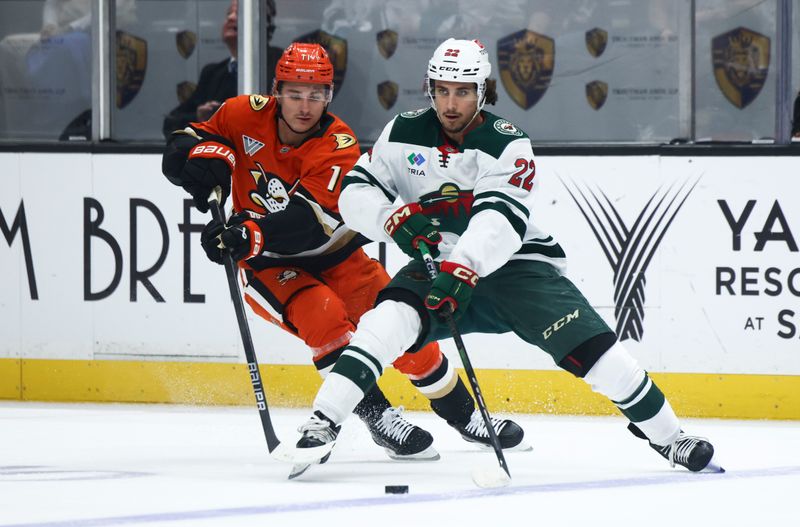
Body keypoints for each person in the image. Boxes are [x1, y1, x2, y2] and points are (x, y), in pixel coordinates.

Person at [293, 38, 720, 474]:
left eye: (462, 91)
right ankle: (323, 421)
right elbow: (354, 193)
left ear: (482, 91)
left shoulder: (507, 143)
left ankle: (670, 437)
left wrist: (462, 268)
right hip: (435, 266)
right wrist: (393, 220)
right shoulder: (401, 131)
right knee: (382, 325)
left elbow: (498, 221)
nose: (451, 102)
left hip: (517, 269)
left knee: (599, 354)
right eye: (441, 90)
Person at [161, 42, 527, 465]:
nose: (304, 106)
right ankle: (380, 417)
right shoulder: (241, 113)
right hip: (268, 268)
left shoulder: (338, 143)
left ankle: (465, 416)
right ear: (276, 90)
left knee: (403, 331)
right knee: (323, 314)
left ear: (329, 95)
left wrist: (247, 233)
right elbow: (191, 137)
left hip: (335, 254)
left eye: (316, 95)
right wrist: (190, 159)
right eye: (295, 93)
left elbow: (307, 221)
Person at [161, 0, 282, 138]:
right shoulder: (212, 73)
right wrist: (199, 117)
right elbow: (170, 124)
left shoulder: (281, 67)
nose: (231, 18)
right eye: (228, 13)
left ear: (265, 23)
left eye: (239, 12)